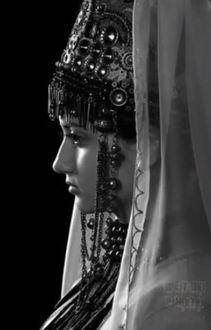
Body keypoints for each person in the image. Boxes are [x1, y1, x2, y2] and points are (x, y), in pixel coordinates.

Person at [42, 0, 211, 329]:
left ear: (151, 143)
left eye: (77, 138)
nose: (59, 163)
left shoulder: (175, 306)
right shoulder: (111, 277)